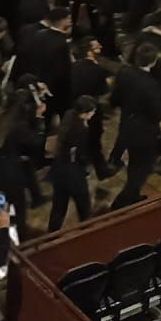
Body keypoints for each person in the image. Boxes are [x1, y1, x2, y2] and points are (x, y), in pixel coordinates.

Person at [109, 42, 161, 208]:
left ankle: (133, 196)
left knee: (134, 163)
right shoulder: (151, 85)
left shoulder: (124, 72)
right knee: (142, 169)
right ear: (153, 61)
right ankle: (121, 203)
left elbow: (115, 99)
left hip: (127, 124)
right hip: (144, 132)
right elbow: (157, 113)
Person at [47, 96, 97, 232]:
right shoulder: (81, 129)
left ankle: (51, 234)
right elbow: (80, 154)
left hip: (59, 169)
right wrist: (85, 167)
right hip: (73, 173)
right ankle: (86, 231)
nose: (93, 115)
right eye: (92, 112)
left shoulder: (69, 115)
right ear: (85, 113)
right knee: (84, 206)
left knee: (58, 207)